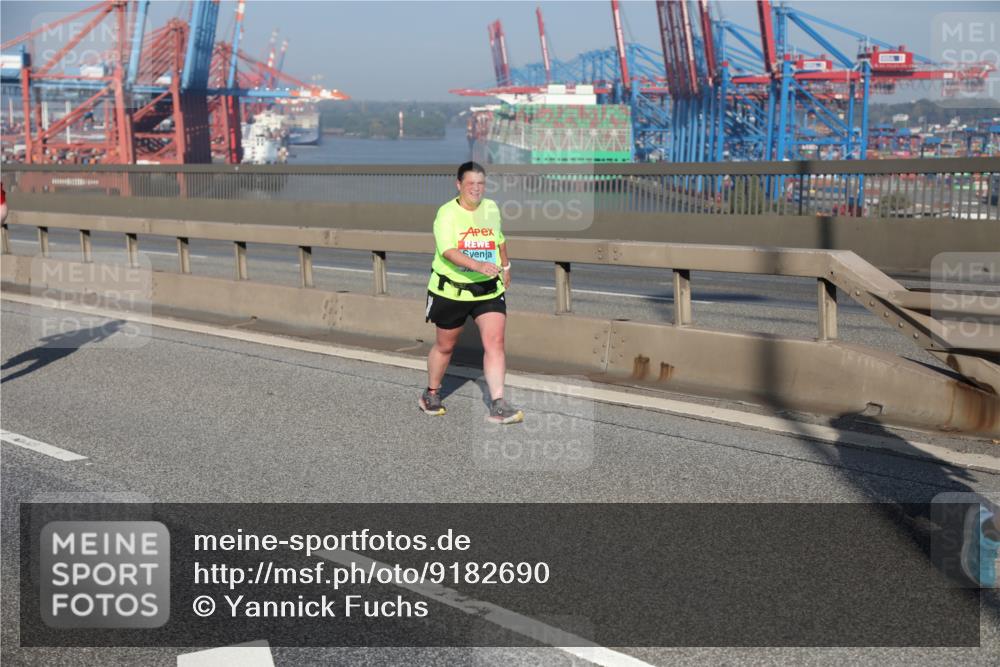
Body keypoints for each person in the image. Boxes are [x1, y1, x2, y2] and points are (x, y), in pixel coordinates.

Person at [419, 161, 524, 425]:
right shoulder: (447, 213)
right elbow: (447, 251)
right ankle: (431, 393)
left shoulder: (491, 208)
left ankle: (498, 404)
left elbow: (499, 239)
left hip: (488, 288)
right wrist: (478, 265)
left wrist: (506, 266)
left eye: (481, 184)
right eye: (471, 184)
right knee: (445, 346)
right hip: (452, 290)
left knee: (495, 342)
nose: (476, 189)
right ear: (459, 185)